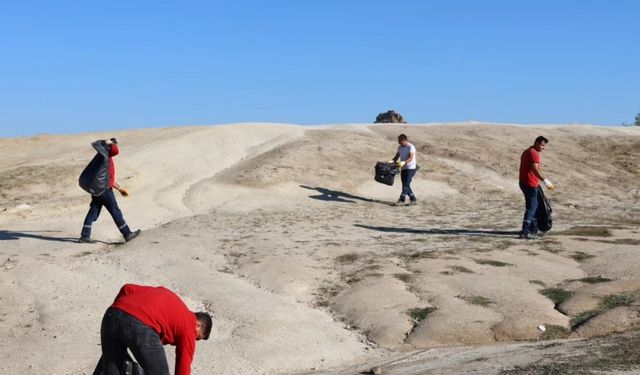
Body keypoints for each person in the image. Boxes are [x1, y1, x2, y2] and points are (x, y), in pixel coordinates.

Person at [95, 284, 213, 375]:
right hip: (140, 325)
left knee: (112, 370)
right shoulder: (189, 324)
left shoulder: (172, 300)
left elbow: (127, 288)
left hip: (111, 316)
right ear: (198, 325)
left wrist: (119, 313)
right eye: (197, 337)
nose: (193, 340)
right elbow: (183, 367)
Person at [79, 138, 141, 243]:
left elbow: (107, 178)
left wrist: (119, 188)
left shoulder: (101, 157)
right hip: (104, 190)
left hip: (97, 190)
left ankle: (85, 235)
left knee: (93, 211)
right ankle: (127, 234)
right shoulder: (106, 157)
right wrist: (110, 143)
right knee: (115, 211)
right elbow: (115, 150)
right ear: (109, 147)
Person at [519, 136, 555, 239]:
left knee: (534, 205)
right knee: (532, 206)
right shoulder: (534, 153)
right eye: (542, 145)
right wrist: (545, 181)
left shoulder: (527, 151)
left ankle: (533, 229)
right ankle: (525, 231)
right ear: (536, 143)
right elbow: (535, 170)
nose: (543, 147)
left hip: (525, 182)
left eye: (544, 146)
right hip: (529, 184)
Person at [389, 134, 418, 206]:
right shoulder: (400, 147)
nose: (399, 143)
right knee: (405, 184)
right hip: (403, 168)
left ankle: (401, 200)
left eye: (400, 141)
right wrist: (390, 162)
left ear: (404, 140)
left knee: (406, 184)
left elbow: (411, 158)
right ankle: (413, 199)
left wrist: (404, 162)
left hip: (410, 168)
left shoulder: (411, 147)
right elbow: (396, 156)